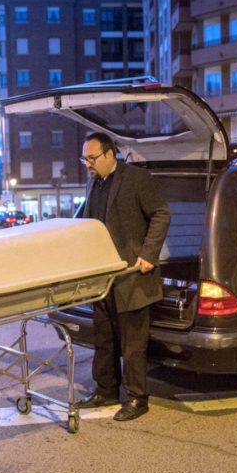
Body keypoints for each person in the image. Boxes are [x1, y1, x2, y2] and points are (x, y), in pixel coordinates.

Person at [75, 132, 170, 421]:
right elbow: (87, 222)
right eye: (84, 159)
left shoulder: (136, 179)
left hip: (133, 278)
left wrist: (148, 255)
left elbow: (161, 213)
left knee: (132, 345)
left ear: (109, 154)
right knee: (104, 339)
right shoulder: (95, 183)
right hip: (105, 280)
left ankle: (137, 398)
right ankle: (105, 391)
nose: (87, 165)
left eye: (91, 158)